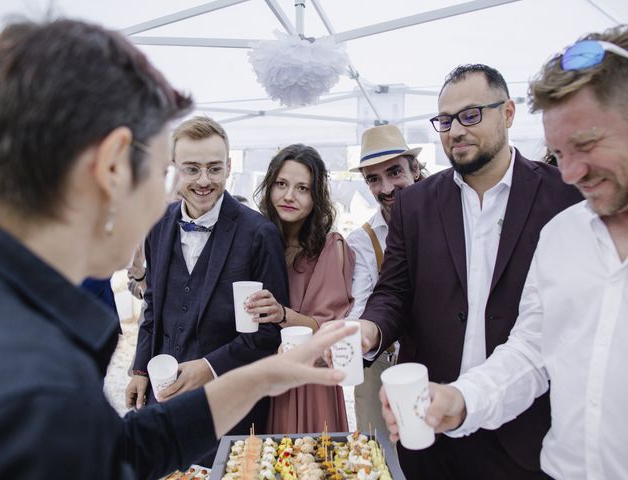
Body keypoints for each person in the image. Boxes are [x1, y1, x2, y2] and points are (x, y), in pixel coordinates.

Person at [0, 18, 357, 480]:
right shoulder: (39, 391)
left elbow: (122, 450)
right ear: (112, 168)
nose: (175, 191)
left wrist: (260, 377)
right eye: (168, 170)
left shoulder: (23, 331)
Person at [387, 26, 628, 480]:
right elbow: (533, 348)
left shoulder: (554, 199)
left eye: (587, 145)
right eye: (558, 152)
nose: (572, 172)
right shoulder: (563, 235)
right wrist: (460, 401)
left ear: (507, 114)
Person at [357, 64, 582, 479]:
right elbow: (394, 292)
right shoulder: (416, 204)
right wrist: (369, 330)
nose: (455, 130)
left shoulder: (563, 195)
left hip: (526, 431)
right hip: (429, 424)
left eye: (471, 115)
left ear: (509, 113)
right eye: (445, 120)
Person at [126, 115, 287, 462]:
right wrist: (140, 369)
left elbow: (270, 331)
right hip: (164, 401)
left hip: (231, 407)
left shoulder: (260, 235)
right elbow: (152, 305)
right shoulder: (157, 225)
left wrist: (208, 367)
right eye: (191, 169)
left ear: (229, 167)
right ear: (174, 169)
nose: (203, 181)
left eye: (214, 169)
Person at [245, 144, 355, 434]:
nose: (289, 196)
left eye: (302, 188)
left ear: (316, 197)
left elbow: (328, 328)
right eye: (281, 184)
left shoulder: (331, 248)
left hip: (309, 378)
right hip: (259, 374)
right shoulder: (255, 242)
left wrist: (282, 314)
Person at [345, 124, 426, 438]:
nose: (387, 188)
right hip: (381, 361)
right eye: (374, 179)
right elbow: (360, 305)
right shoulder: (362, 240)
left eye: (395, 173)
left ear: (414, 168)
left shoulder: (443, 217)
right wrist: (351, 336)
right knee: (376, 453)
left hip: (436, 362)